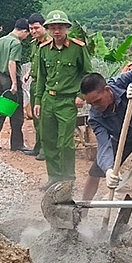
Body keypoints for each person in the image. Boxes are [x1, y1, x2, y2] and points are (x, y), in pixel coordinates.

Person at [80, 61, 132, 249]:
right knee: (95, 173)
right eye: (90, 103)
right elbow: (103, 146)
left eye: (97, 101)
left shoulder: (121, 82)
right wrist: (109, 169)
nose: (95, 106)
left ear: (107, 90)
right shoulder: (95, 116)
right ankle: (82, 215)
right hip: (122, 137)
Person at [33, 10, 93, 189]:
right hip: (48, 100)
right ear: (49, 29)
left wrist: (81, 95)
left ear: (66, 28)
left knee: (65, 142)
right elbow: (41, 77)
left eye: (60, 28)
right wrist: (37, 101)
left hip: (68, 102)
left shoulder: (77, 48)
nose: (56, 31)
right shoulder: (44, 49)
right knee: (48, 140)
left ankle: (67, 179)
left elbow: (87, 73)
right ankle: (54, 177)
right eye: (53, 28)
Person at [0, 18, 33, 153]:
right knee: (17, 114)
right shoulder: (16, 43)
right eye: (27, 34)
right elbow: (12, 63)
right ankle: (17, 144)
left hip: (0, 79)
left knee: (1, 110)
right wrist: (14, 83)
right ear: (24, 31)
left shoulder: (0, 40)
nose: (26, 37)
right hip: (9, 80)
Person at [25, 13, 49, 161]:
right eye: (31, 29)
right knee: (35, 118)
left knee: (44, 119)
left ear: (43, 26)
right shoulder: (34, 44)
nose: (34, 31)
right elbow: (35, 63)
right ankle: (37, 147)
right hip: (34, 83)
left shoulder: (49, 44)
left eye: (36, 28)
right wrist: (29, 72)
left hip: (45, 85)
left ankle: (45, 150)